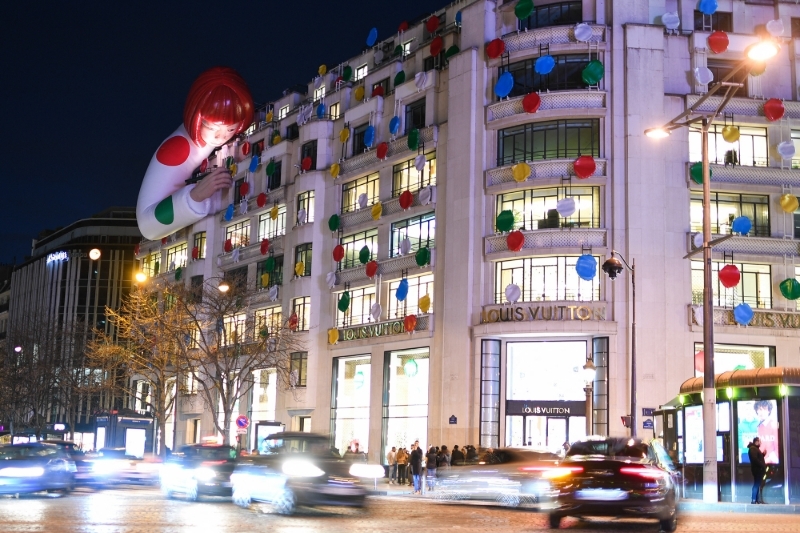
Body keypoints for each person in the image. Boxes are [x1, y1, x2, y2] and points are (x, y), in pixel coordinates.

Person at [136, 67, 254, 241]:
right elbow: (147, 225)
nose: (221, 136)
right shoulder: (177, 148)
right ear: (197, 118)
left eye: (230, 128)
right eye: (212, 127)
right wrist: (195, 196)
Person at [748, 437, 766, 504]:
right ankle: (753, 499)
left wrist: (763, 455)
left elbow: (757, 458)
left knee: (757, 484)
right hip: (757, 470)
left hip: (758, 469)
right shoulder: (753, 449)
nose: (760, 443)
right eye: (759, 441)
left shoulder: (755, 449)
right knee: (756, 484)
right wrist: (762, 465)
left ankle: (756, 500)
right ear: (756, 442)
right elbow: (755, 459)